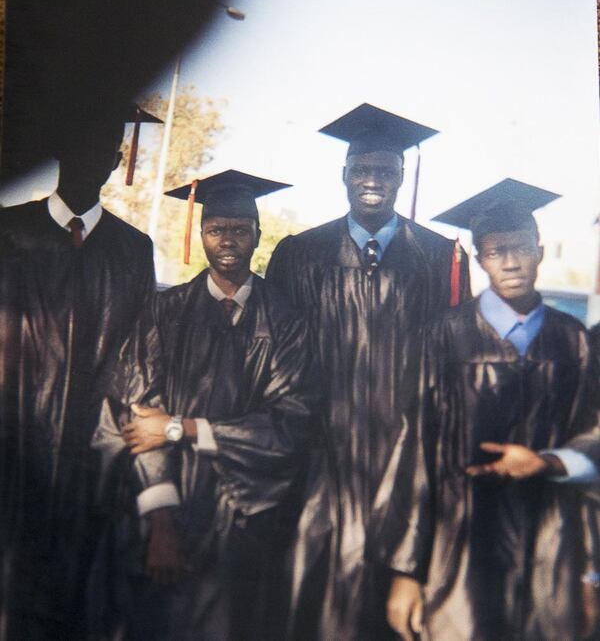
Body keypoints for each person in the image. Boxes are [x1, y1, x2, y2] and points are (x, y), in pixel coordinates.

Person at [265, 103, 471, 640]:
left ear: (403, 176)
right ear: (344, 175)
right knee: (310, 607)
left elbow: (454, 373)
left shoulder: (441, 257)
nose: (373, 180)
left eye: (385, 170)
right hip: (317, 462)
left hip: (406, 464)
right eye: (362, 169)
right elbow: (273, 364)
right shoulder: (299, 254)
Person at [91, 170, 320, 641]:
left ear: (257, 234)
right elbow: (136, 411)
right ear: (201, 235)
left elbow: (291, 424)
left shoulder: (289, 323)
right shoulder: (163, 311)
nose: (228, 241)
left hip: (248, 520)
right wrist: (160, 518)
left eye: (239, 229)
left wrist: (182, 427)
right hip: (166, 507)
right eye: (217, 230)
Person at [378, 182, 600, 641]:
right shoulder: (443, 336)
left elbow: (594, 433)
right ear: (479, 259)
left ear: (539, 252)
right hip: (459, 546)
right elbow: (413, 449)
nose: (511, 262)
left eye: (521, 248)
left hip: (551, 546)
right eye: (495, 251)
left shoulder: (573, 340)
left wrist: (550, 463)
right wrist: (406, 570)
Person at [0, 107, 155, 640]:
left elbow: (138, 358)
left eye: (103, 151)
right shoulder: (8, 228)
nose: (90, 159)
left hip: (90, 465)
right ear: (59, 150)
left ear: (116, 162)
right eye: (78, 144)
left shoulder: (134, 250)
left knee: (71, 608)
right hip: (10, 450)